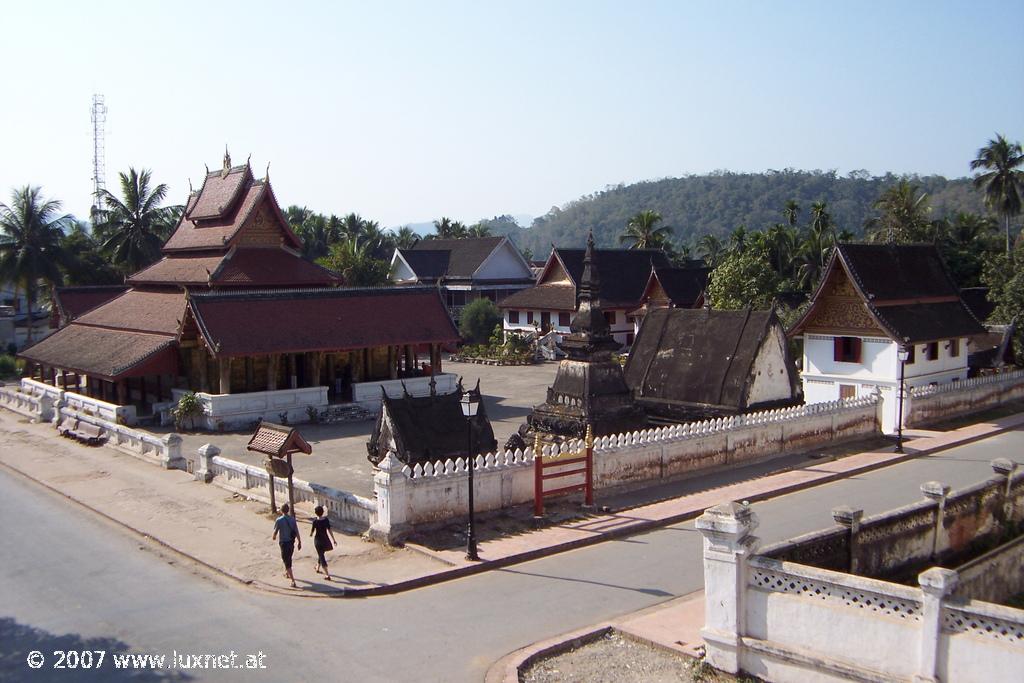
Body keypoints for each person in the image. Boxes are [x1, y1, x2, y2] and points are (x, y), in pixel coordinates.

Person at [272, 503, 301, 588]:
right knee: (289, 558)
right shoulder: (292, 519)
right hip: (291, 542)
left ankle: (293, 580)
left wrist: (274, 536)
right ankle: (287, 573)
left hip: (284, 543)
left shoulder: (279, 520)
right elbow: (296, 531)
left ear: (281, 510)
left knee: (286, 560)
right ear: (288, 510)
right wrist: (299, 542)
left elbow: (275, 532)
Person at [310, 505, 338, 581]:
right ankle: (317, 568)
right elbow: (329, 530)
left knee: (321, 556)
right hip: (325, 540)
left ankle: (327, 575)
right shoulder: (326, 520)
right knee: (321, 553)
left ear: (316, 513)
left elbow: (312, 531)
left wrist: (311, 534)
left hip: (318, 540)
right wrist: (334, 540)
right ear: (323, 512)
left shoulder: (315, 521)